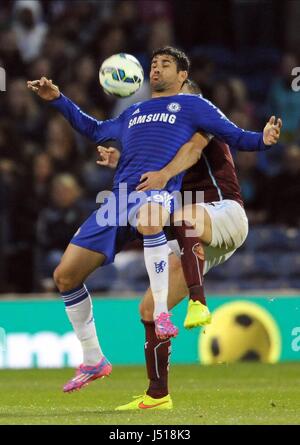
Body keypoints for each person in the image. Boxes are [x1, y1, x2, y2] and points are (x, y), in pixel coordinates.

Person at [27, 46, 281, 394]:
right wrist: (57, 99)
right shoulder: (134, 111)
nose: (156, 69)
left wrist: (263, 140)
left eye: (166, 64)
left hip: (159, 194)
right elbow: (95, 129)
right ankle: (93, 358)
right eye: (154, 64)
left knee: (153, 218)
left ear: (182, 76)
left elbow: (234, 135)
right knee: (65, 275)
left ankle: (165, 311)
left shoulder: (194, 105)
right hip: (118, 200)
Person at [98, 78, 282, 410]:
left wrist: (262, 140)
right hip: (193, 237)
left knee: (184, 217)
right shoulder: (166, 138)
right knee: (150, 309)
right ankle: (157, 395)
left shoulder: (202, 125)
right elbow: (149, 167)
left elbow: (191, 153)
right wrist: (121, 161)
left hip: (225, 214)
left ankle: (199, 302)